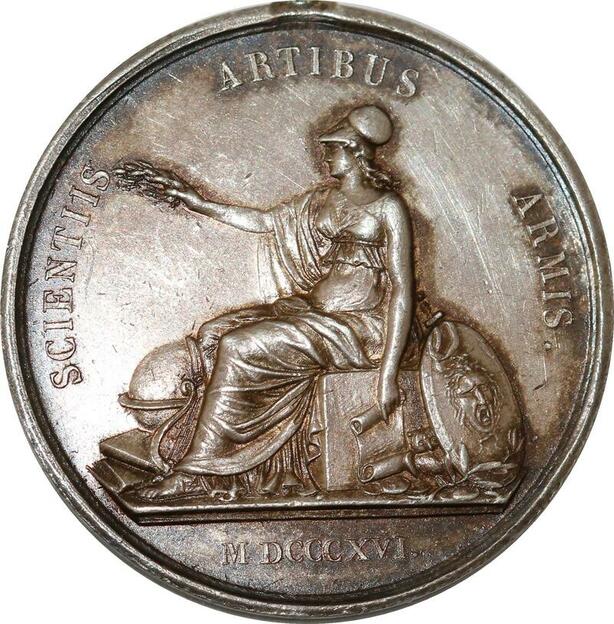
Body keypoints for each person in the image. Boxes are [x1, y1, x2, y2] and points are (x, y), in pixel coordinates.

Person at [132, 104, 415, 499]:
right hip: (312, 312)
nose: (325, 157)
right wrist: (199, 203)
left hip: (358, 328)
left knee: (237, 345)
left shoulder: (388, 207)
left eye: (333, 149)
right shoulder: (321, 200)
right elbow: (265, 221)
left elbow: (402, 288)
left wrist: (388, 373)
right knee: (214, 333)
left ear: (354, 152)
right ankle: (239, 467)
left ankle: (198, 470)